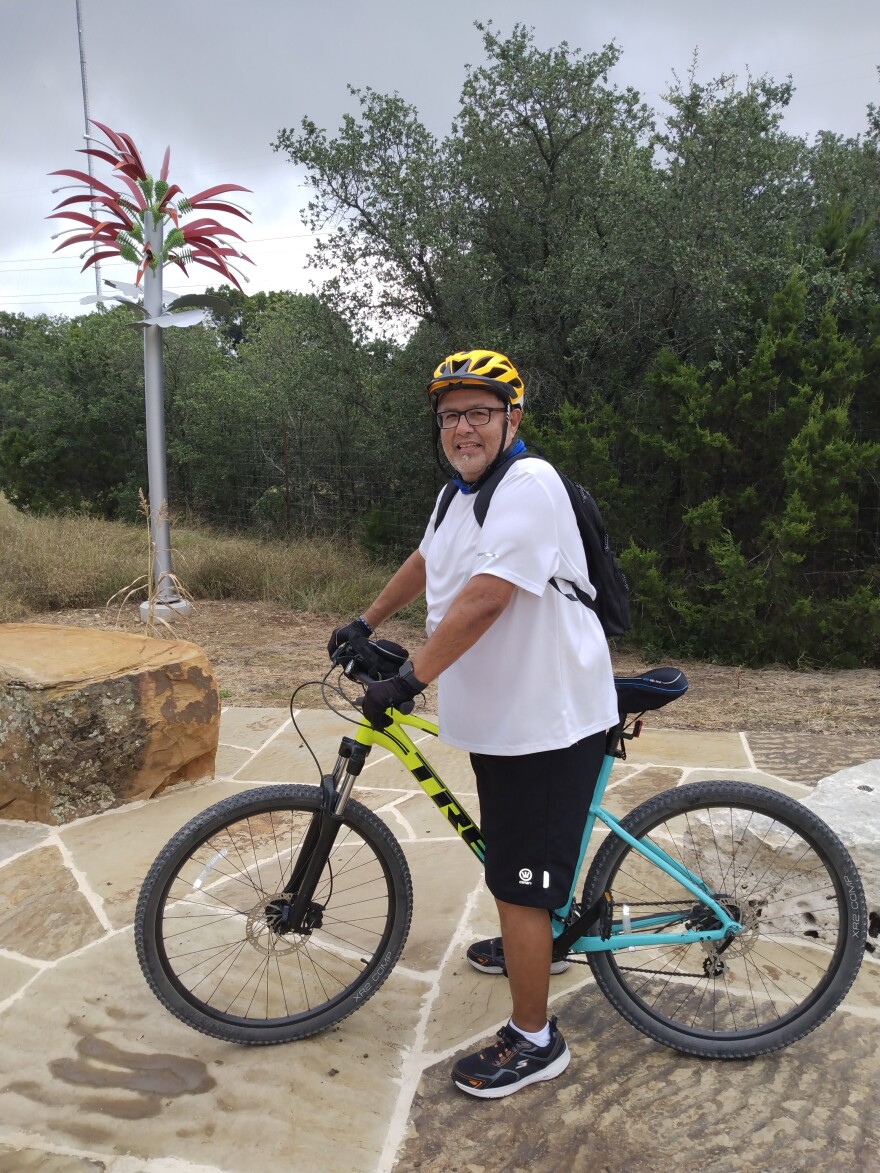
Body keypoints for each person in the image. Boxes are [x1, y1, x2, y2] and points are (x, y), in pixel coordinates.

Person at [328, 349, 617, 1099]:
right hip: (505, 718)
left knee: (518, 882)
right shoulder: (458, 494)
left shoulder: (529, 483)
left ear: (512, 418)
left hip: (545, 721)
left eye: (479, 412)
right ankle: (541, 944)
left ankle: (535, 1038)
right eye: (451, 414)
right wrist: (366, 618)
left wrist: (408, 676)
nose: (463, 427)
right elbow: (430, 558)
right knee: (515, 866)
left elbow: (488, 597)